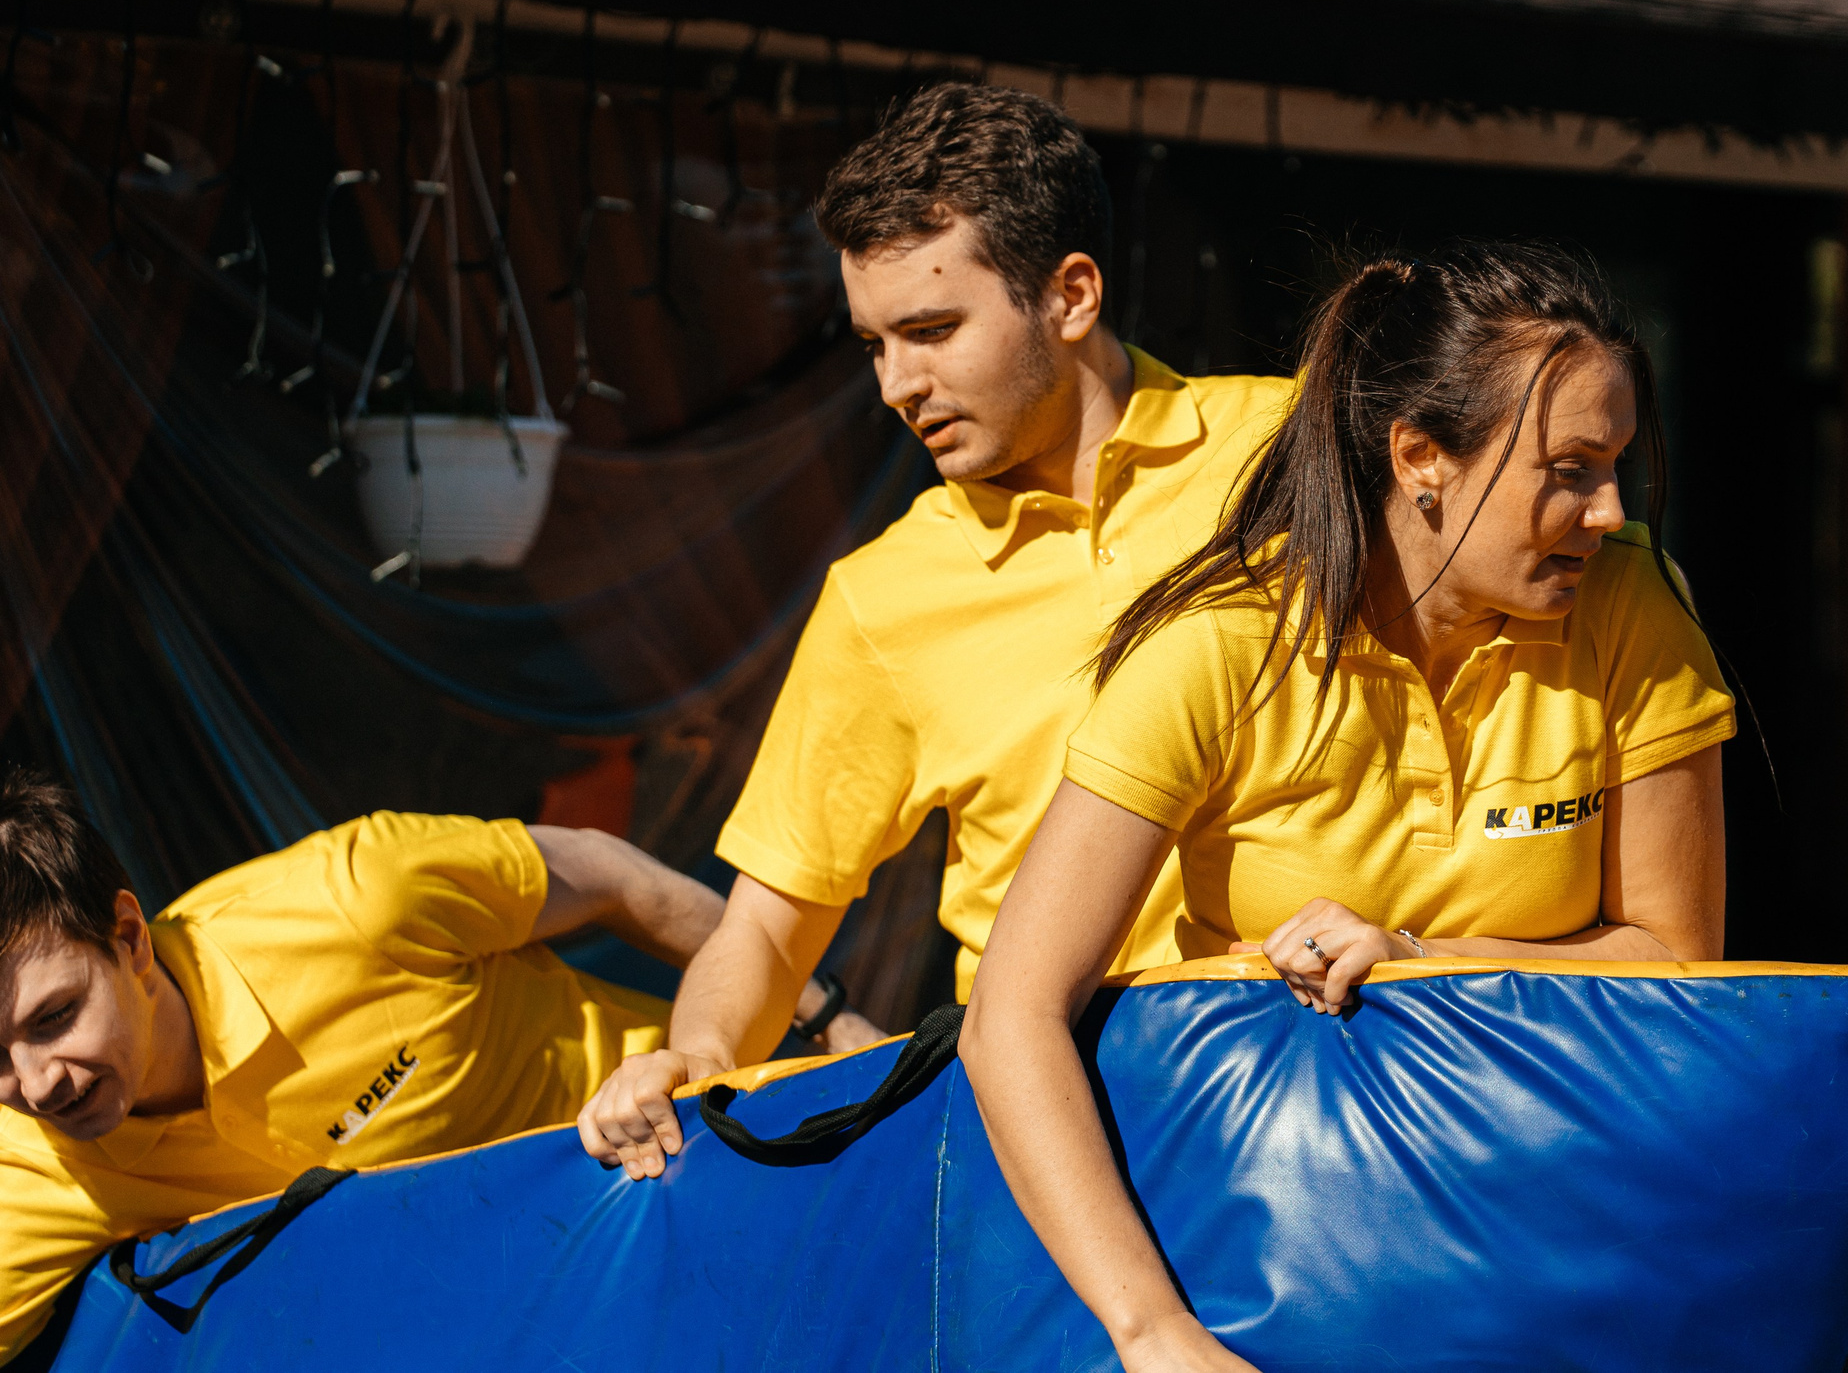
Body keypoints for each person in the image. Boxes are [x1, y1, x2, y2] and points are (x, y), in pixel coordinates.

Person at [961, 242, 1734, 1373]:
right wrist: (1154, 1333)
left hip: (1557, 1249)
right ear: (1420, 457)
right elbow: (1011, 1014)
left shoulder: (1637, 606)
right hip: (1251, 1261)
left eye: (1616, 465)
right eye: (1570, 469)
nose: (1610, 510)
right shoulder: (1221, 648)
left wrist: (1417, 957)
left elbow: (1677, 962)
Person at [578, 85, 1291, 1178]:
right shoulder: (883, 596)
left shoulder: (1297, 451)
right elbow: (765, 928)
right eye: (874, 343)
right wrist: (697, 1056)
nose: (895, 385)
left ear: (1071, 295)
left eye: (930, 331)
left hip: (1327, 1078)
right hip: (1061, 1135)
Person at [0, 776, 863, 1362]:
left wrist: (829, 1020)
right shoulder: (31, 1164)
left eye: (54, 1016)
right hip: (534, 1329)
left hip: (709, 1180)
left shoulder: (353, 901)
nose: (37, 1084)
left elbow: (609, 875)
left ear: (129, 937)